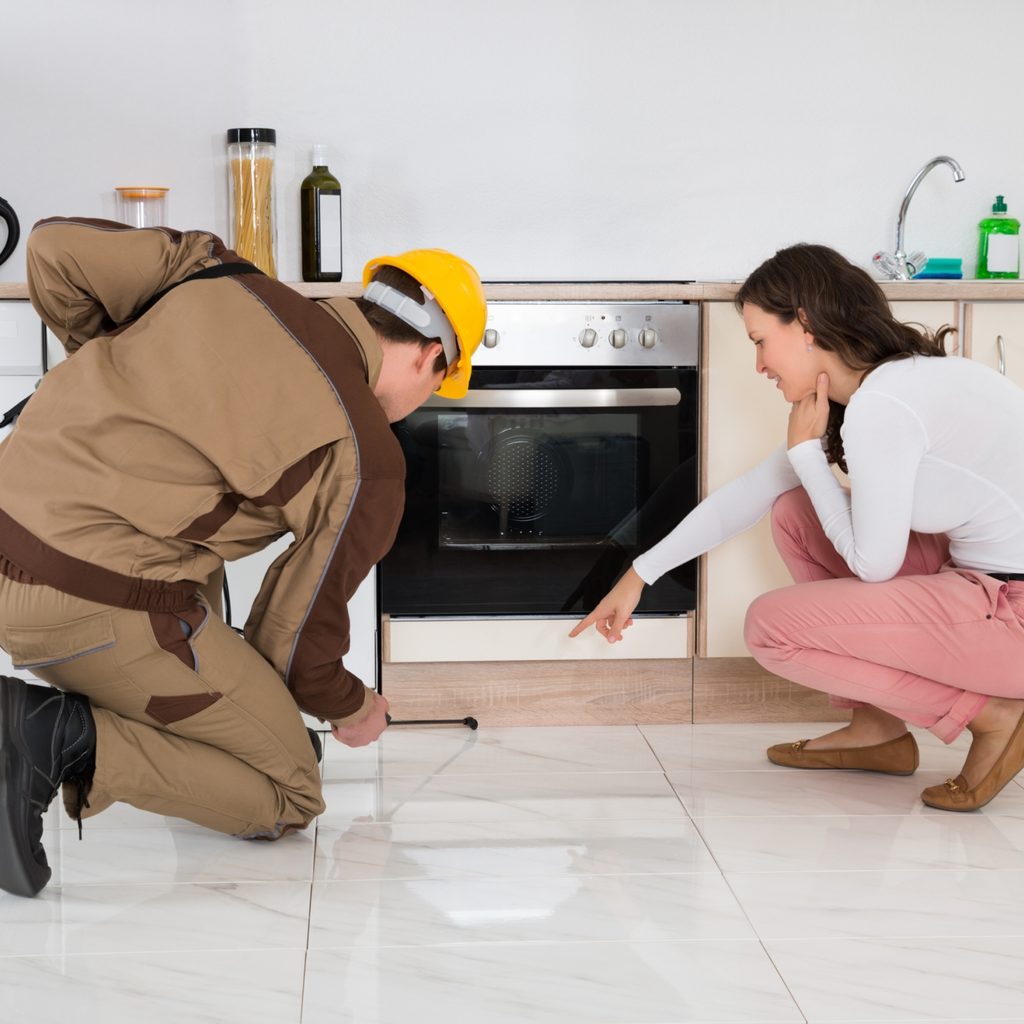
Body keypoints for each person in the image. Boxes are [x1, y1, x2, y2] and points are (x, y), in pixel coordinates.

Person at [0, 216, 486, 898]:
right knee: (289, 791)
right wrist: (350, 706)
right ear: (431, 356)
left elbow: (51, 246)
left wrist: (110, 367)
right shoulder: (366, 460)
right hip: (80, 603)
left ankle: (223, 727)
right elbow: (292, 648)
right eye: (438, 384)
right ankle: (56, 736)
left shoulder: (215, 272)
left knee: (198, 565)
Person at [572, 242, 1024, 814]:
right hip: (985, 592)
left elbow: (874, 564)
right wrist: (639, 574)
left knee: (769, 629)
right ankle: (876, 729)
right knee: (794, 512)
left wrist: (810, 456)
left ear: (805, 324)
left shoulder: (883, 406)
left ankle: (995, 715)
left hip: (1011, 615)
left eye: (761, 341)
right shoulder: (889, 387)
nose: (759, 364)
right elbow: (748, 496)